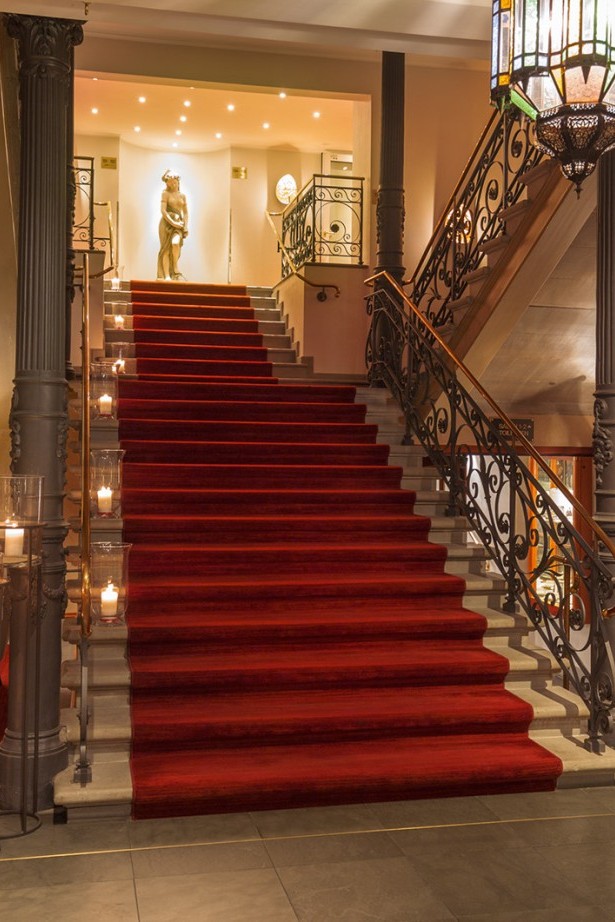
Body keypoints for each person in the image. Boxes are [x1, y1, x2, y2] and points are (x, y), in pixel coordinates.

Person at [156, 169, 189, 280]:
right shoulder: (165, 194)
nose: (172, 184)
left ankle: (175, 266)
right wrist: (173, 222)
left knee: (175, 244)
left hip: (178, 224)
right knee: (166, 249)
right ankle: (166, 275)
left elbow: (185, 212)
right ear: (167, 183)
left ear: (178, 182)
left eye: (174, 182)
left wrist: (185, 226)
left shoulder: (182, 196)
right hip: (166, 223)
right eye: (170, 182)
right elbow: (163, 211)